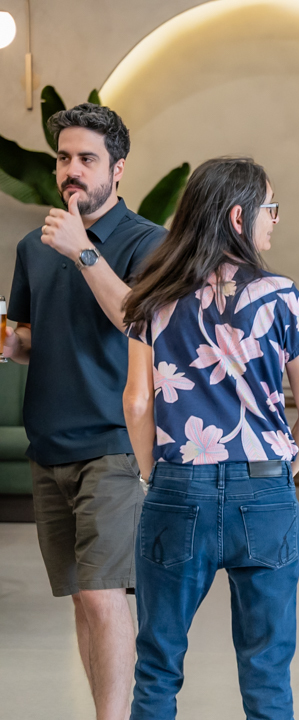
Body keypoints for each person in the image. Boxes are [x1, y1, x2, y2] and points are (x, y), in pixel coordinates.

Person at [122, 156, 299, 720]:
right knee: (267, 672)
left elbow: (137, 402)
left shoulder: (152, 296)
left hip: (177, 487)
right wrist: (279, 474)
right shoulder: (280, 296)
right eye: (269, 209)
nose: (274, 219)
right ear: (239, 217)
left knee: (158, 665)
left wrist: (154, 475)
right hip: (264, 492)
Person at [4, 103, 166, 720]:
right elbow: (30, 339)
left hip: (114, 444)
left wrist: (84, 253)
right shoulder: (34, 245)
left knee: (103, 596)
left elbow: (139, 320)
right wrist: (8, 343)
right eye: (64, 158)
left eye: (87, 159)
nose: (72, 170)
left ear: (117, 169)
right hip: (48, 445)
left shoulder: (148, 242)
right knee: (81, 598)